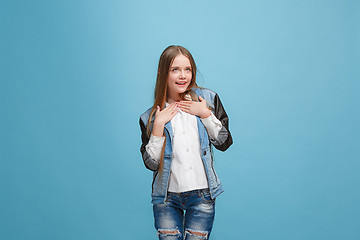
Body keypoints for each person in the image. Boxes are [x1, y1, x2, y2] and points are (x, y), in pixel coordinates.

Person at [139, 45, 233, 239]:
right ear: (162, 72)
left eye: (187, 69)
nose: (183, 76)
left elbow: (224, 142)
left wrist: (206, 114)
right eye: (175, 69)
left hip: (202, 196)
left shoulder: (207, 99)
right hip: (166, 198)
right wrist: (158, 125)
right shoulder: (149, 116)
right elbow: (151, 164)